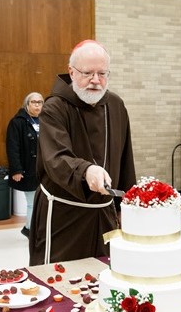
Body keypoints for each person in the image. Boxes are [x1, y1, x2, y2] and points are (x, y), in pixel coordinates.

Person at [29, 40, 136, 266]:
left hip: (104, 213)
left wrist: (128, 204)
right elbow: (55, 159)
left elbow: (126, 159)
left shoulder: (116, 105)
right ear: (71, 72)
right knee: (59, 278)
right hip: (64, 213)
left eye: (102, 73)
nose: (95, 81)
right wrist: (87, 171)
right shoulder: (55, 107)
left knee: (106, 274)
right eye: (87, 73)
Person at [6, 92, 44, 239]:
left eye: (40, 102)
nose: (37, 105)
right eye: (34, 102)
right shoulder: (17, 122)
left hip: (43, 169)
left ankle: (32, 228)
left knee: (40, 202)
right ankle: (29, 229)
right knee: (32, 202)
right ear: (26, 104)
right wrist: (16, 169)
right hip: (27, 169)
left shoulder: (44, 120)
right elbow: (12, 147)